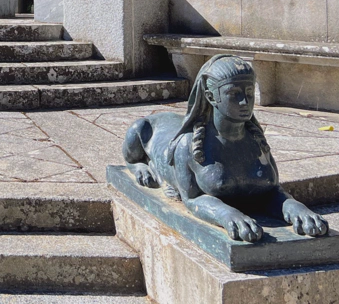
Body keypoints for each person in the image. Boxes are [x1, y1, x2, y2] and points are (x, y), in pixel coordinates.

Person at [123, 54, 328, 241]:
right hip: (153, 133)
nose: (244, 101)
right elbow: (192, 199)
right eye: (233, 93)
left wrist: (295, 208)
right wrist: (225, 214)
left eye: (249, 92)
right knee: (139, 128)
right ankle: (137, 163)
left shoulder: (256, 140)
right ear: (212, 97)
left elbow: (270, 192)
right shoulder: (188, 144)